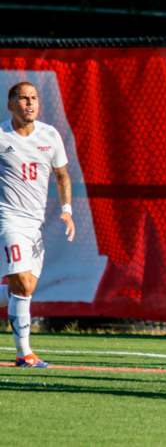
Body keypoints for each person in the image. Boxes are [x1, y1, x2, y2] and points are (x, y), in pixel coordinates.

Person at [0, 82, 75, 368]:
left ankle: (23, 350)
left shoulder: (49, 135)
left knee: (26, 286)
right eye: (23, 98)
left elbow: (62, 176)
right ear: (11, 105)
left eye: (34, 98)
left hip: (36, 223)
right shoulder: (1, 135)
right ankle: (24, 353)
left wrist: (67, 210)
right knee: (22, 280)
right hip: (8, 218)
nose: (29, 103)